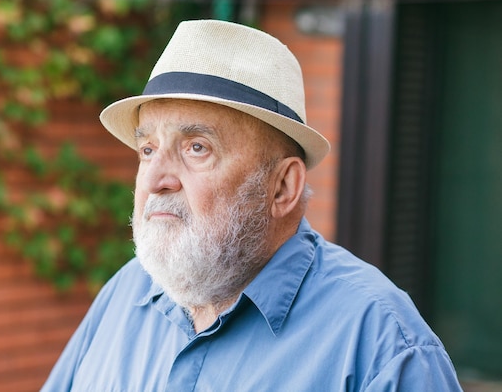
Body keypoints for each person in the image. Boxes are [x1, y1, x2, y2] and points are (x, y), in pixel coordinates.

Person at [41, 19, 462, 391]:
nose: (154, 181)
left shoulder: (382, 345)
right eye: (147, 150)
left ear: (282, 187)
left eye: (197, 148)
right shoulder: (125, 293)